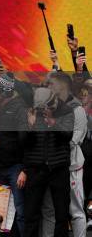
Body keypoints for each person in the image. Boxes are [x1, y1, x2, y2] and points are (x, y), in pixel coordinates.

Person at [21, 87, 73, 237]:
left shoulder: (66, 110)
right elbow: (24, 143)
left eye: (48, 107)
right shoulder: (32, 112)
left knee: (61, 214)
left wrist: (52, 122)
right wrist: (30, 126)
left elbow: (67, 136)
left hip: (59, 168)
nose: (44, 110)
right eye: (42, 107)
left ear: (54, 101)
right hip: (36, 169)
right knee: (31, 214)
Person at [40, 71, 87, 237]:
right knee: (49, 210)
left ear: (60, 86)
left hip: (71, 166)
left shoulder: (77, 109)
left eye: (49, 84)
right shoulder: (46, 106)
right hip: (50, 167)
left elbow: (75, 140)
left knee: (75, 211)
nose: (46, 87)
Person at [0, 72, 27, 236]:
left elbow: (26, 140)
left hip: (16, 167)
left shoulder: (19, 108)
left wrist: (25, 169)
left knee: (21, 210)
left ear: (6, 91)